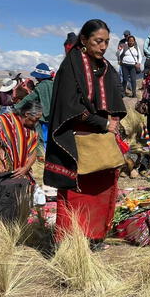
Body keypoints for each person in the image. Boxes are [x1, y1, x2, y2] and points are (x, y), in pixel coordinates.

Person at [45, 19, 126, 251]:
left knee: (102, 188)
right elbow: (70, 107)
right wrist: (103, 122)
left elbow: (115, 99)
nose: (103, 47)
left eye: (107, 42)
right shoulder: (71, 66)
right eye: (98, 41)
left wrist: (115, 120)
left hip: (101, 142)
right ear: (83, 40)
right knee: (75, 192)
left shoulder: (107, 67)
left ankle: (94, 236)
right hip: (76, 141)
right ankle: (70, 243)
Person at [0, 100, 42, 209]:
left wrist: (26, 168)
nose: (37, 122)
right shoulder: (3, 122)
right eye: (36, 119)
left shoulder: (31, 129)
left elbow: (33, 152)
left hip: (20, 172)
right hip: (0, 167)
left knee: (19, 205)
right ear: (27, 114)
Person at [14, 62, 54, 154]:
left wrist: (16, 107)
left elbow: (28, 99)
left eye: (37, 76)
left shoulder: (39, 88)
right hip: (54, 117)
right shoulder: (55, 84)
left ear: (40, 77)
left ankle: (41, 155)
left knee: (41, 137)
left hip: (43, 117)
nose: (36, 78)